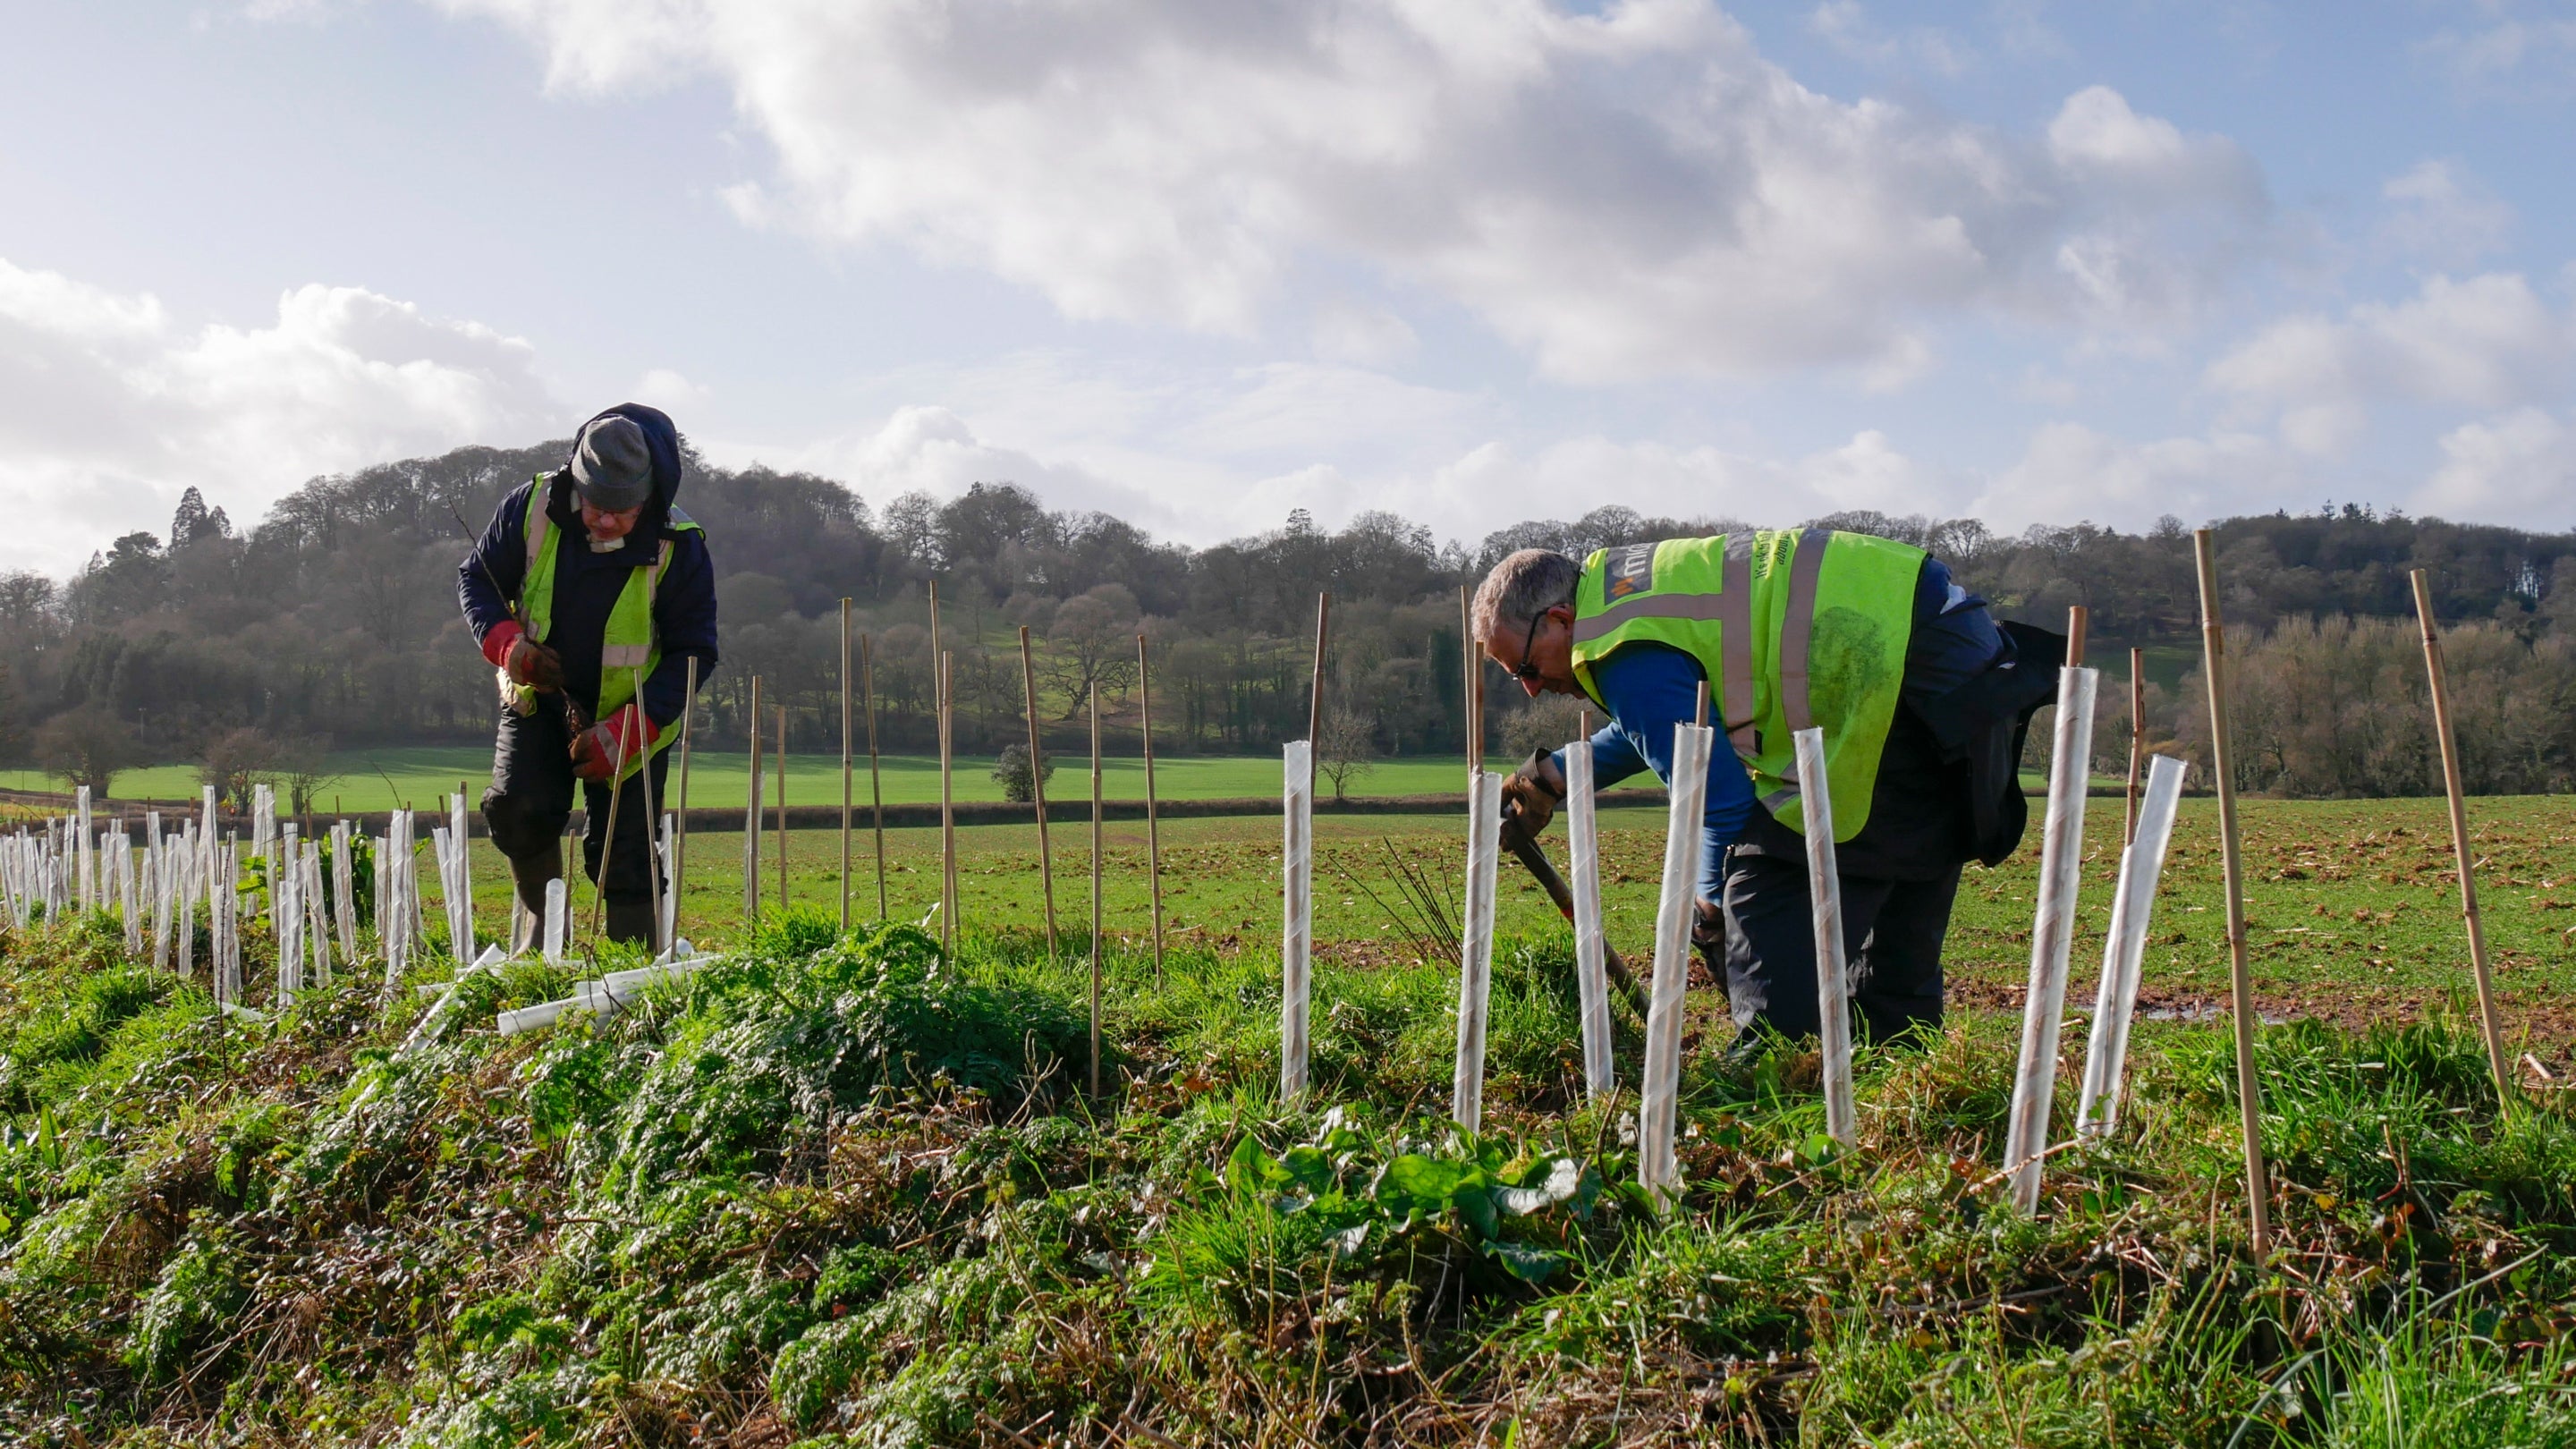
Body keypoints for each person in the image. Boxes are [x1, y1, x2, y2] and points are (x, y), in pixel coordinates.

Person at [1472, 529, 2059, 1053]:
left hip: (1890, 677)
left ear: (1560, 620)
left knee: (1762, 887)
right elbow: (1676, 723)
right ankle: (1896, 1075)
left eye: (1524, 668)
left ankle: (1776, 1071)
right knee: (1901, 880)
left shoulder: (1618, 648)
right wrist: (1554, 777)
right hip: (1945, 654)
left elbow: (1719, 800)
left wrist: (1710, 906)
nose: (1531, 690)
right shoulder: (1622, 595)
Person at [458, 404, 718, 947]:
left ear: (648, 498)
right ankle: (545, 934)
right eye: (593, 505)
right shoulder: (528, 506)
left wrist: (629, 729)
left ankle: (635, 969)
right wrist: (509, 647)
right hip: (537, 701)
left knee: (625, 852)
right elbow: (476, 583)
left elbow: (696, 653)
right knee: (517, 810)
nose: (602, 520)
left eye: (621, 512)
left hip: (634, 719)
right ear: (575, 481)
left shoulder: (682, 544)